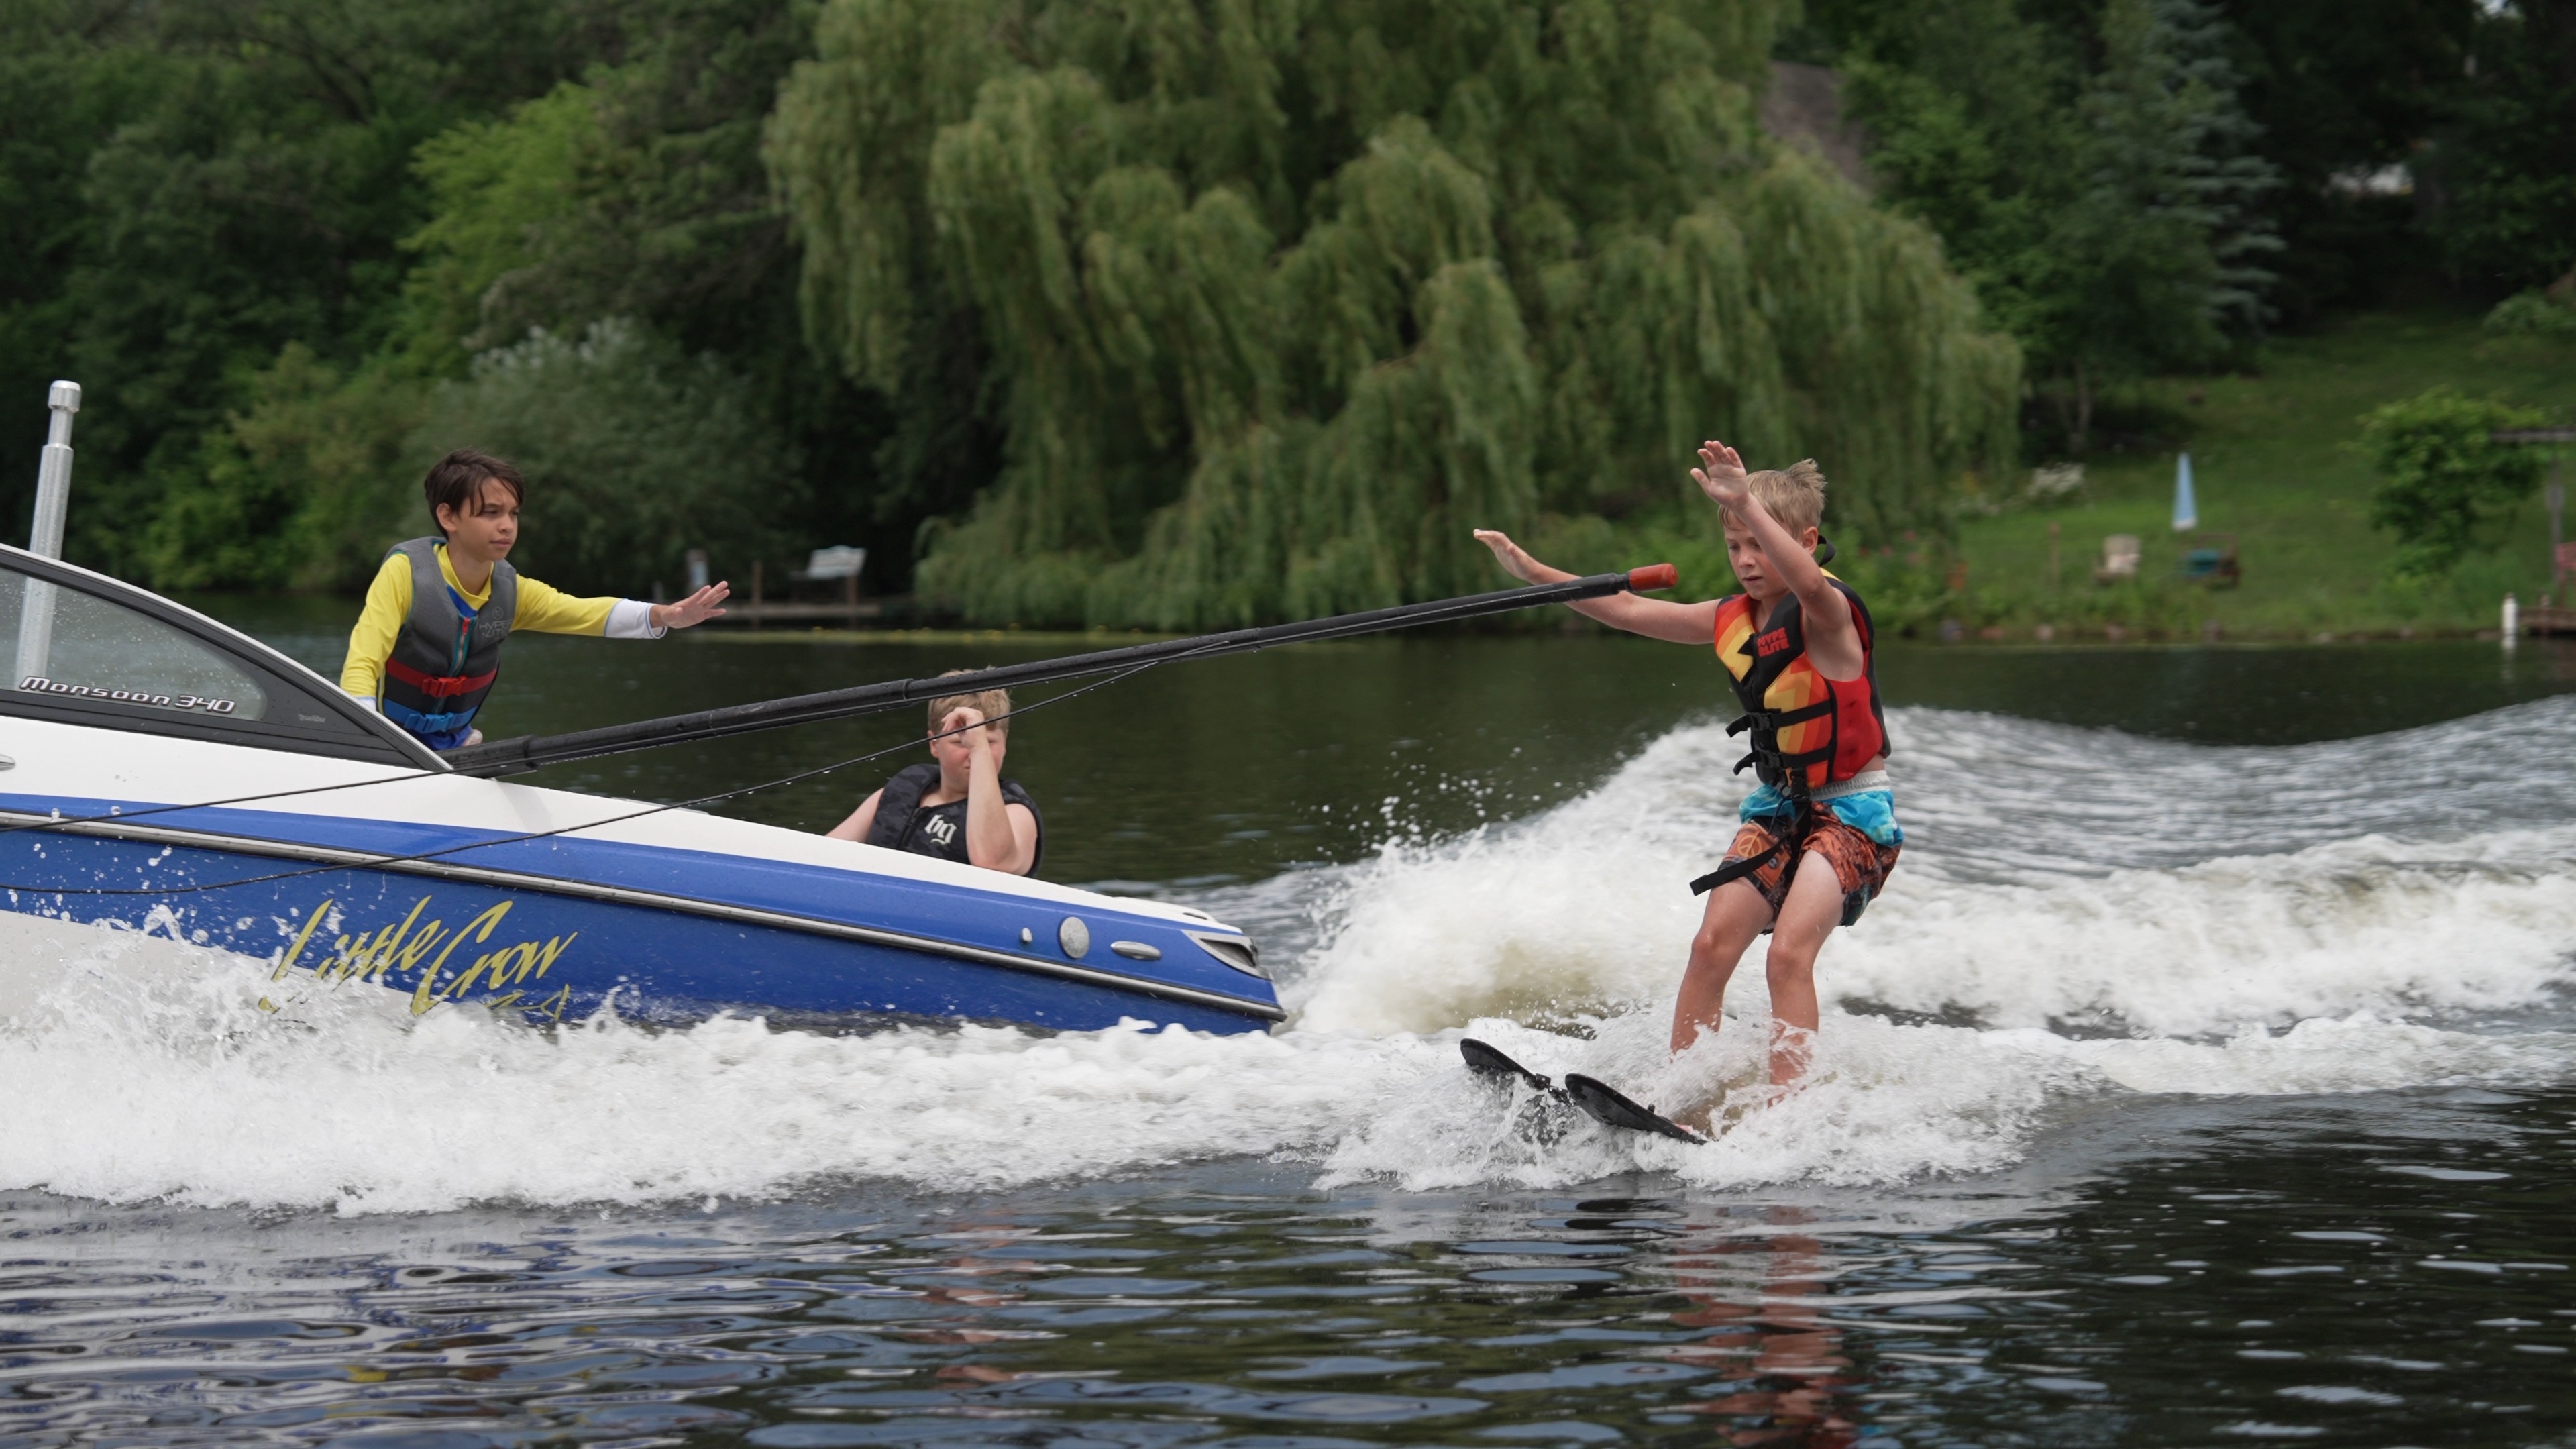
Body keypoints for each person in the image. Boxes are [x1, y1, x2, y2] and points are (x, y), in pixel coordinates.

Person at [1472, 439, 1899, 1104]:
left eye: (1759, 543)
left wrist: (1745, 502)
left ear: (1806, 542)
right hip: (1780, 808)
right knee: (1710, 947)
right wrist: (1535, 574)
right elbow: (1628, 609)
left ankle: (1791, 1113)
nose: (1746, 560)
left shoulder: (1830, 614)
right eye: (1735, 547)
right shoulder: (1731, 619)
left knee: (1787, 954)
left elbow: (1810, 585)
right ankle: (1683, 1095)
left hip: (1853, 815)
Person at [341, 449, 731, 751]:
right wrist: (367, 738)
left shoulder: (512, 592)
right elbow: (363, 661)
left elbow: (584, 612)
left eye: (513, 514)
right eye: (491, 513)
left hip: (457, 747)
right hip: (387, 742)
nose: (507, 526)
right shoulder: (406, 573)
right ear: (449, 517)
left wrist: (666, 615)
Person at [828, 679, 1044, 876]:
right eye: (960, 742)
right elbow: (826, 852)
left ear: (1005, 742)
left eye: (989, 742)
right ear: (934, 744)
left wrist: (979, 749)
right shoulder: (899, 792)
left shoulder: (1017, 813)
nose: (973, 752)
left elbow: (992, 862)